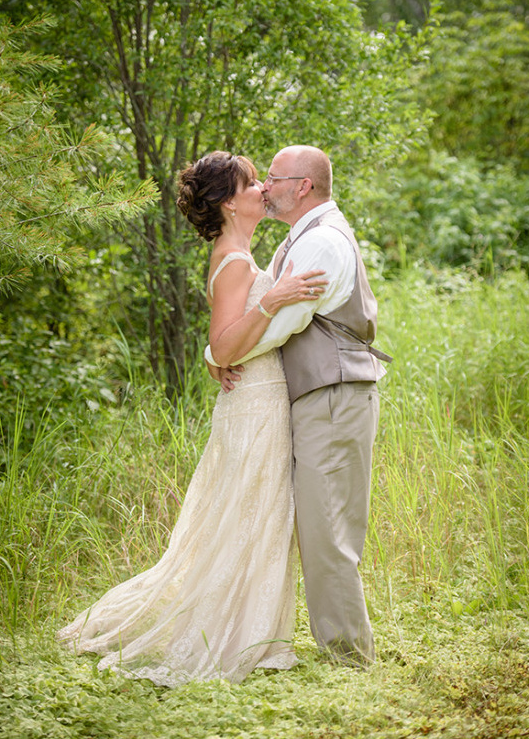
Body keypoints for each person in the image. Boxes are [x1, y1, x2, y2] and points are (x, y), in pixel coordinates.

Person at [57, 151, 328, 688]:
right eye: (254, 184)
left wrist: (241, 333)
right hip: (254, 405)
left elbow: (224, 349)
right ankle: (232, 634)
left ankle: (253, 628)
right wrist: (270, 301)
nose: (263, 190)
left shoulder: (240, 254)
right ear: (231, 201)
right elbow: (224, 346)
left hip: (259, 398)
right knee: (247, 513)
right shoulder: (233, 262)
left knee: (251, 514)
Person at [211, 145, 391, 667]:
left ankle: (350, 659)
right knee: (318, 524)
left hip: (333, 394)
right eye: (261, 180)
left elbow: (284, 324)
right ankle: (340, 648)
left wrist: (218, 352)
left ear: (303, 186)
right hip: (316, 395)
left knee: (327, 529)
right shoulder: (301, 238)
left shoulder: (324, 243)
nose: (265, 186)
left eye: (273, 178)